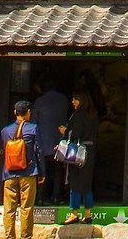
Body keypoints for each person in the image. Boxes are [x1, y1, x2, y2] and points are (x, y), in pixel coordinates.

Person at [0, 99, 43, 239]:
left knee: (9, 209)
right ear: (28, 112)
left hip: (9, 173)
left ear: (15, 113)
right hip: (28, 173)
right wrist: (42, 172)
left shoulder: (5, 131)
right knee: (27, 208)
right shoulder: (33, 128)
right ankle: (25, 237)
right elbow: (39, 151)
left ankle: (9, 236)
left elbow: (4, 150)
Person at [61, 90, 102, 223]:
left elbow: (74, 134)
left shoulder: (78, 115)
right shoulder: (94, 115)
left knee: (74, 182)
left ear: (81, 100)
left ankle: (74, 213)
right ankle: (88, 215)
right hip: (90, 151)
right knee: (87, 183)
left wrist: (65, 131)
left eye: (75, 99)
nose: (72, 102)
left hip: (77, 152)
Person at [31, 81, 70, 200]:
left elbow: (34, 121)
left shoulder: (39, 101)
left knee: (43, 170)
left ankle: (41, 197)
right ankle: (56, 196)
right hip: (60, 140)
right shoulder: (64, 100)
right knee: (58, 170)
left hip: (43, 140)